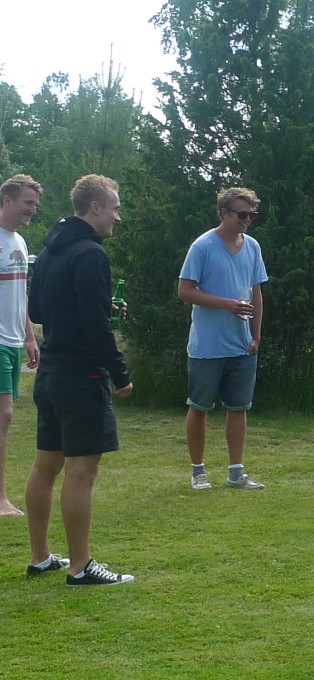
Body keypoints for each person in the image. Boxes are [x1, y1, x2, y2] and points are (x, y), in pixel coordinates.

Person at [24, 174, 134, 585]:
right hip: (82, 376)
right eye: (115, 209)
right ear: (95, 208)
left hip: (50, 374)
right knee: (81, 473)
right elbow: (94, 325)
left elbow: (37, 311)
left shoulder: (49, 252)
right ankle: (81, 566)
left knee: (45, 467)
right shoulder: (90, 253)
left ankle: (40, 557)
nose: (117, 217)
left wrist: (99, 307)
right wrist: (119, 372)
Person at [178, 187, 268, 491]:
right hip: (207, 345)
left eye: (252, 215)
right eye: (242, 214)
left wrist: (256, 335)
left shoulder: (252, 247)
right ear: (224, 213)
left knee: (239, 407)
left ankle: (236, 472)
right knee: (199, 406)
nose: (247, 220)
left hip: (242, 345)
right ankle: (198, 471)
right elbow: (185, 291)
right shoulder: (202, 246)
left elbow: (256, 293)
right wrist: (226, 304)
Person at [0, 175, 42, 517]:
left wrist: (29, 336)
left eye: (35, 205)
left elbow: (20, 292)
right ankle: (0, 499)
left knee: (4, 417)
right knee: (4, 415)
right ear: (7, 200)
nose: (33, 210)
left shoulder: (21, 242)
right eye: (28, 203)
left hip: (14, 341)